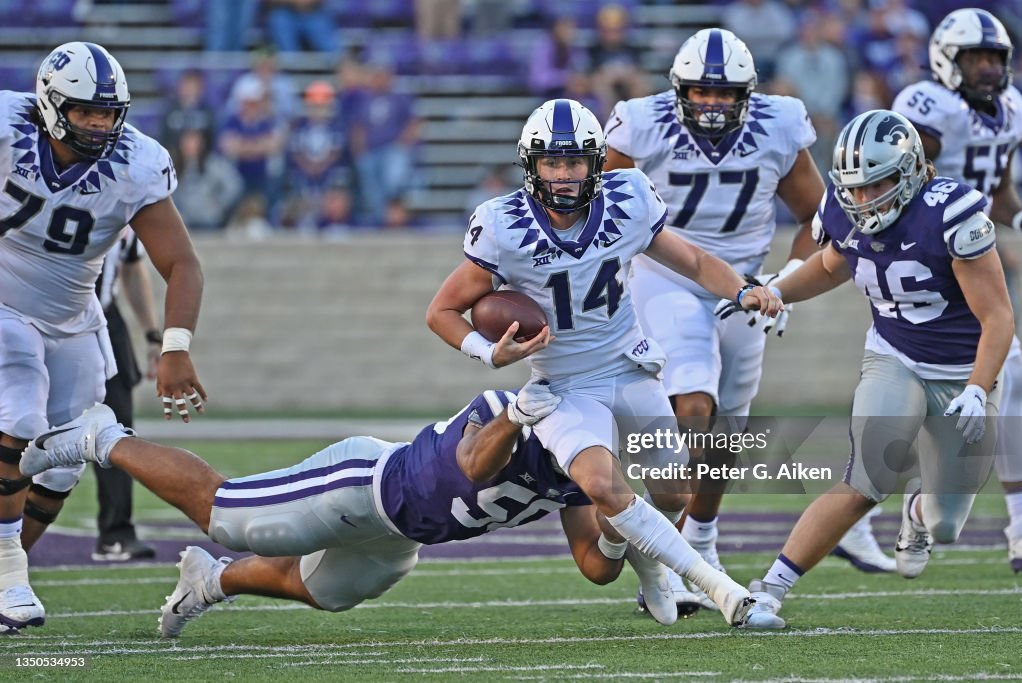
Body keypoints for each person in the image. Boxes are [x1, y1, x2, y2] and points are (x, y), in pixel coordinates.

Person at [426, 98, 782, 627]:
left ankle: (646, 567)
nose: (564, 174)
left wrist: (743, 289)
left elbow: (693, 260)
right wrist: (489, 352)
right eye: (552, 162)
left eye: (574, 162)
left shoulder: (630, 197)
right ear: (532, 165)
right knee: (603, 486)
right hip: (563, 384)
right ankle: (726, 593)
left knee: (672, 494)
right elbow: (442, 311)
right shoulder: (502, 225)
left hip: (627, 365)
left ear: (596, 163)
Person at [601, 28, 894, 616]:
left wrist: (782, 278)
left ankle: (700, 542)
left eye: (724, 93)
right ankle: (664, 559)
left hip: (745, 283)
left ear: (749, 94)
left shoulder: (778, 126)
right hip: (667, 276)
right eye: (701, 93)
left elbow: (820, 216)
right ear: (678, 91)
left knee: (728, 428)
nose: (711, 103)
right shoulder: (640, 124)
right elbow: (602, 206)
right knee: (693, 404)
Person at [30, 387, 633, 637]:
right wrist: (516, 418)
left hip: (403, 536)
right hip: (363, 485)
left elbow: (595, 567)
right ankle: (101, 438)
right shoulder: (513, 406)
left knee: (328, 591)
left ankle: (212, 580)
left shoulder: (585, 476)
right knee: (228, 516)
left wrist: (621, 524)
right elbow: (475, 466)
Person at [724, 109, 1013, 629]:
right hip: (894, 357)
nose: (863, 200)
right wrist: (778, 290)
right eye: (854, 188)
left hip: (965, 371)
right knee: (866, 480)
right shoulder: (842, 210)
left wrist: (976, 387)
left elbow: (998, 318)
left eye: (876, 185)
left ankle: (917, 515)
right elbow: (835, 264)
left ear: (908, 171)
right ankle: (768, 592)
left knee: (947, 525)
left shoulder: (953, 214)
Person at [0, 42, 207, 632]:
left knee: (63, 464)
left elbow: (182, 263)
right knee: (17, 415)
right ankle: (10, 575)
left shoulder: (138, 161)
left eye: (108, 112)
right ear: (49, 103)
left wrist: (174, 345)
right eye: (86, 111)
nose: (99, 123)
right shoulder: (6, 126)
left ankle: (8, 570)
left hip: (75, 315)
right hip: (4, 300)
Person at [892, 7, 1022, 573]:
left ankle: (1018, 524)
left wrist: (1019, 220)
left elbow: (1000, 189)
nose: (989, 70)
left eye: (995, 58)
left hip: (979, 250)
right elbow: (903, 177)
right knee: (978, 381)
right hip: (932, 258)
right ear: (948, 61)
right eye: (976, 58)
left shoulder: (1013, 109)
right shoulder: (929, 107)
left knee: (1011, 384)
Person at [92, 228, 160, 561]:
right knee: (22, 424)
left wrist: (152, 335)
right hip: (40, 319)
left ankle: (116, 532)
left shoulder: (123, 197)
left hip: (103, 320)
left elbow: (132, 266)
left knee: (116, 429)